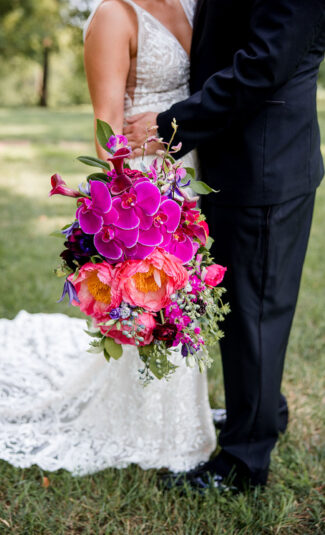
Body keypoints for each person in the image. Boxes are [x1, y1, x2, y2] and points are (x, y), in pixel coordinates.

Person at [0, 0, 218, 476]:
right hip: (146, 190)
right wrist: (133, 209)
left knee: (184, 302)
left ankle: (187, 419)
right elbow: (106, 131)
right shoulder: (114, 15)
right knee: (153, 307)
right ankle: (141, 426)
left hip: (190, 176)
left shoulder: (190, 5)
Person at [124, 0, 325, 491]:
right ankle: (258, 412)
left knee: (256, 313)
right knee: (242, 307)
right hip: (235, 159)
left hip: (265, 162)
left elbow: (263, 65)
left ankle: (243, 461)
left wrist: (171, 124)